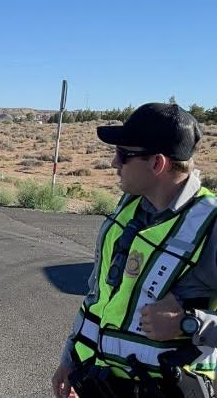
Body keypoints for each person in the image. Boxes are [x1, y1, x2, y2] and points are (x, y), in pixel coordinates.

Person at [53, 102, 211, 398]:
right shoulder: (126, 212)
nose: (114, 163)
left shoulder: (211, 225)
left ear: (157, 164)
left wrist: (191, 323)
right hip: (102, 384)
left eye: (123, 155)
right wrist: (70, 358)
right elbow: (98, 299)